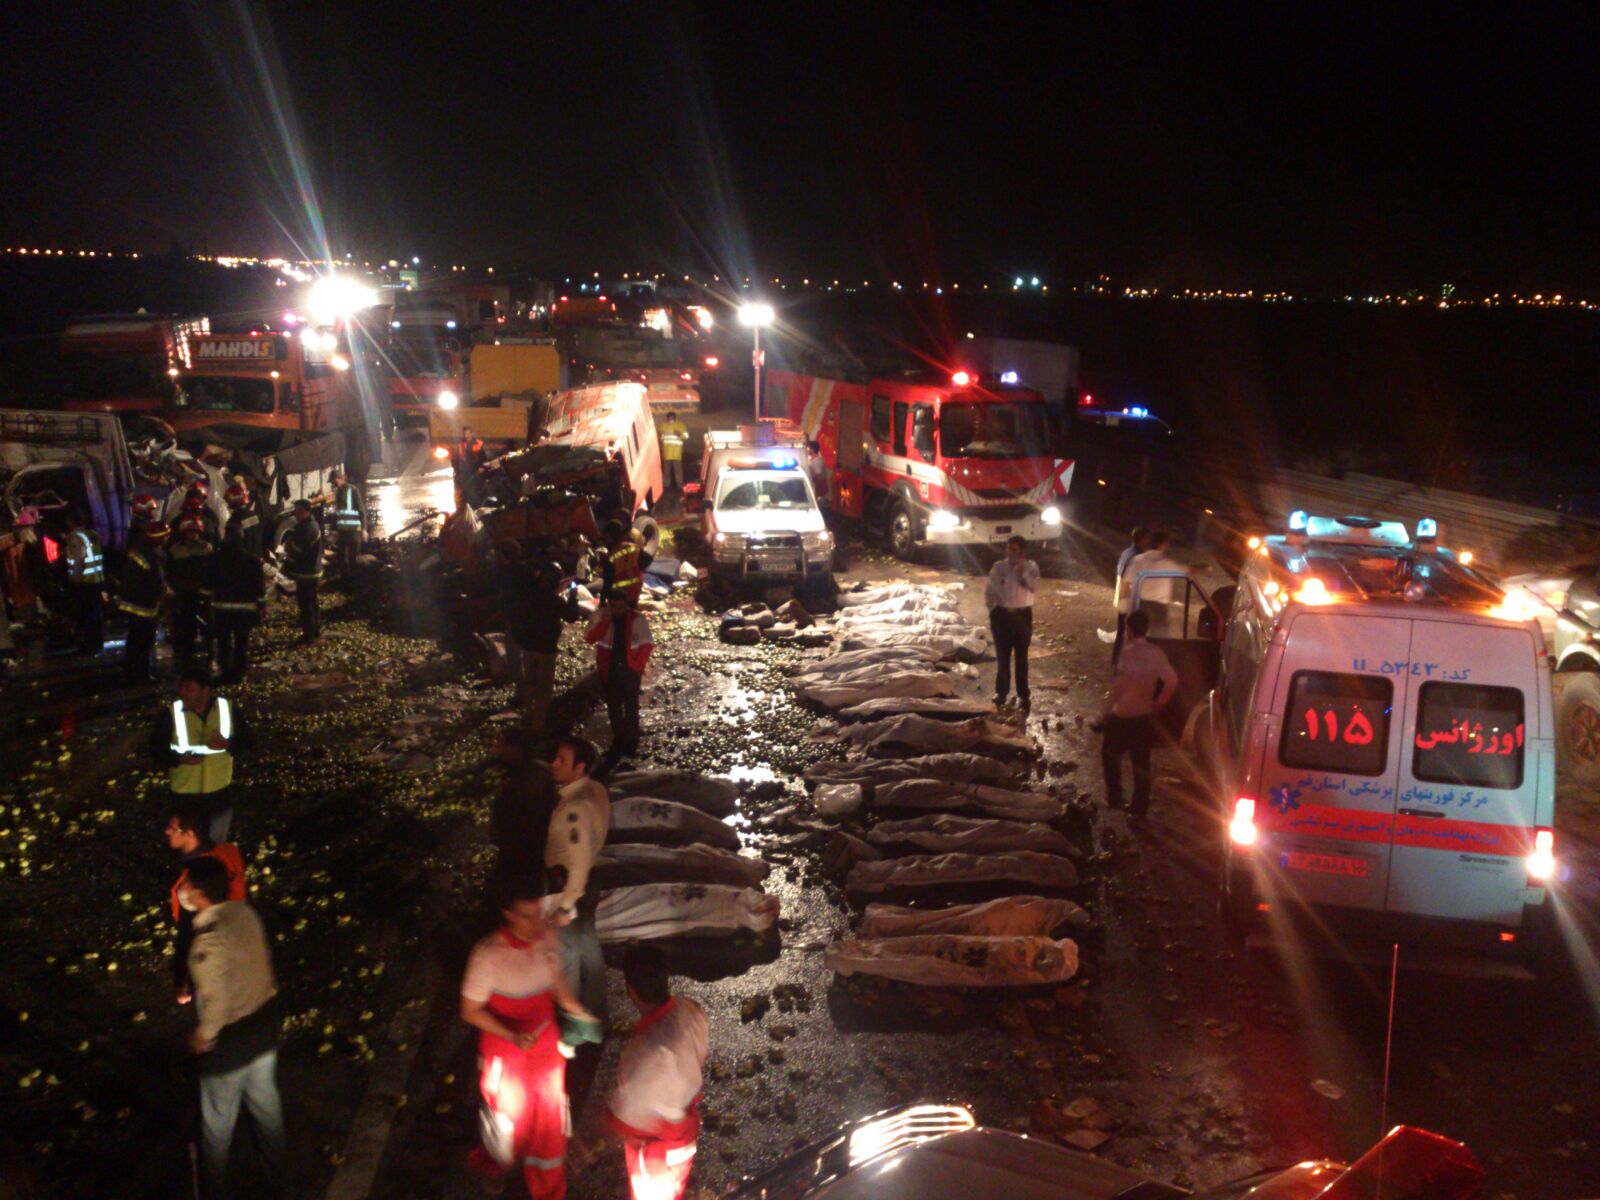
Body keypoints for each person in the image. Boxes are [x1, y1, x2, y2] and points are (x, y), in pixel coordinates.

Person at [460, 877, 601, 1200]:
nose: (536, 923)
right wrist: (511, 1033)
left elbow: (559, 987)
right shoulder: (486, 955)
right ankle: (495, 1168)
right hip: (506, 1055)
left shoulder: (546, 936)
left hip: (546, 1051)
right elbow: (470, 1011)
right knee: (509, 1125)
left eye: (539, 913)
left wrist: (579, 1013)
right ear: (507, 914)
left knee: (550, 1126)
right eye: (526, 916)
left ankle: (549, 1191)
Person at [179, 856, 286, 1200]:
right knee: (267, 1112)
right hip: (264, 1030)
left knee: (216, 1131)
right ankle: (276, 1184)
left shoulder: (206, 943)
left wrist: (201, 1039)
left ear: (197, 894)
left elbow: (217, 1005)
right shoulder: (245, 913)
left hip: (230, 1048)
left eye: (187, 885)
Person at [605, 946, 709, 1200]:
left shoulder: (643, 1054)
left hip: (657, 1153)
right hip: (685, 1132)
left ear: (630, 989)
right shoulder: (691, 1010)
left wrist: (601, 1128)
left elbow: (627, 1119)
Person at [149, 664, 254, 843]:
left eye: (189, 689)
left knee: (215, 843)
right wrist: (179, 759)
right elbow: (155, 749)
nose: (182, 693)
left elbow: (248, 740)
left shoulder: (227, 708)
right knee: (189, 845)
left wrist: (228, 743)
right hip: (184, 794)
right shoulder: (171, 714)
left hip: (218, 792)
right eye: (181, 687)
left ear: (206, 691)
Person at [547, 736, 611, 1020]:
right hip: (591, 878)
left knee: (567, 952)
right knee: (587, 941)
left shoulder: (574, 809)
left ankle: (573, 1016)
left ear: (579, 767)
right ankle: (597, 1006)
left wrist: (564, 905)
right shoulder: (596, 789)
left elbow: (579, 861)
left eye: (562, 760)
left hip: (571, 886)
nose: (554, 764)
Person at [1098, 608, 1178, 820]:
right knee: (1141, 764)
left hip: (1123, 715)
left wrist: (1105, 713)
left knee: (1109, 754)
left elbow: (1119, 688)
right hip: (1144, 715)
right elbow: (1172, 680)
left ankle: (1115, 797)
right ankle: (1139, 808)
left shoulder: (1127, 653)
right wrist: (1160, 702)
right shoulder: (1157, 653)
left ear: (1129, 630)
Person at [165, 799, 247, 1005]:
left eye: (173, 829)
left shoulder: (193, 884)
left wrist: (183, 984)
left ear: (190, 834)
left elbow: (191, 936)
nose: (167, 831)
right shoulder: (228, 851)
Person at [498, 546, 580, 734]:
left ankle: (528, 715)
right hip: (546, 650)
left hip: (529, 647)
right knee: (543, 689)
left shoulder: (529, 598)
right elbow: (572, 616)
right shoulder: (555, 602)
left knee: (529, 682)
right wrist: (573, 598)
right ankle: (537, 725)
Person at [585, 591, 652, 765]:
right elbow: (590, 638)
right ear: (609, 604)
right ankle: (619, 740)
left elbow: (646, 644)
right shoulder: (601, 617)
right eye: (615, 607)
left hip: (630, 670)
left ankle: (631, 743)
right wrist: (606, 621)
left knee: (631, 707)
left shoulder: (638, 619)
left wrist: (638, 666)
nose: (618, 610)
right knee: (614, 707)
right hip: (610, 669)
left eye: (622, 606)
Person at [985, 534, 1040, 713]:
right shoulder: (998, 567)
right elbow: (989, 591)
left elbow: (1033, 587)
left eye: (1014, 549)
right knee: (1003, 657)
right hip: (1002, 616)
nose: (1010, 552)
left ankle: (1024, 694)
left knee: (1022, 658)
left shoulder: (1031, 567)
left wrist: (1021, 572)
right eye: (1008, 548)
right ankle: (1001, 693)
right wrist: (992, 611)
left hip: (1022, 616)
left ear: (1022, 552)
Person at [211, 526, 266, 686]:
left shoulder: (216, 558)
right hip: (245, 610)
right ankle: (239, 674)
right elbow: (259, 588)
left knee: (223, 642)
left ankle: (225, 673)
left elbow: (208, 583)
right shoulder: (252, 560)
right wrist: (262, 606)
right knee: (241, 643)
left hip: (222, 610)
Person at [1116, 529, 1185, 654]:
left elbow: (1125, 584)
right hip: (1158, 609)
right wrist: (1203, 568)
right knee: (1159, 643)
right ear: (1163, 544)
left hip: (1140, 606)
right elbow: (1186, 571)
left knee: (1136, 642)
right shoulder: (1166, 563)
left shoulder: (1137, 560)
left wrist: (1123, 609)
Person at [118, 515, 169, 683]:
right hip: (145, 607)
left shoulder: (138, 550)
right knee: (144, 642)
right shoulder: (153, 557)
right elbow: (157, 583)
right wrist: (168, 595)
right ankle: (142, 674)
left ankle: (130, 671)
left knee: (133, 640)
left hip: (131, 603)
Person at [167, 513, 217, 667]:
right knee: (185, 626)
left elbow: (211, 571)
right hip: (183, 594)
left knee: (209, 627)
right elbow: (170, 572)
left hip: (202, 594)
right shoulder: (175, 550)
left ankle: (211, 657)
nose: (193, 535)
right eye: (190, 532)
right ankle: (185, 658)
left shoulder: (206, 548)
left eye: (195, 532)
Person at [61, 512, 106, 655]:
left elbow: (78, 561)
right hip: (97, 579)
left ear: (71, 522)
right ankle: (98, 643)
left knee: (88, 616)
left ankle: (90, 646)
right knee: (97, 614)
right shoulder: (92, 534)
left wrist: (75, 580)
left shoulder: (76, 537)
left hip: (85, 582)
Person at [281, 500, 323, 642]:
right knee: (313, 602)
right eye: (295, 511)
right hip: (313, 571)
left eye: (299, 511)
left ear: (307, 511)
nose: (296, 514)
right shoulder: (313, 525)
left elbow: (298, 550)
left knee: (306, 605)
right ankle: (316, 631)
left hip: (306, 573)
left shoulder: (306, 528)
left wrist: (288, 546)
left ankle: (309, 636)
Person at [1111, 525, 1150, 662]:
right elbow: (1130, 581)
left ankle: (1115, 660)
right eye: (1147, 539)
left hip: (1121, 598)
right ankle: (1124, 663)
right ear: (1143, 539)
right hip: (1129, 600)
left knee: (1122, 631)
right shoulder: (1136, 556)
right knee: (1131, 634)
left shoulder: (1126, 553)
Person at [329, 469, 366, 574]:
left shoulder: (353, 490)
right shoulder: (338, 492)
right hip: (342, 531)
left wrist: (363, 530)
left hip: (354, 532)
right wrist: (334, 529)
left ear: (343, 478)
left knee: (353, 559)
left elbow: (361, 510)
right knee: (341, 558)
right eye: (332, 483)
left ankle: (354, 582)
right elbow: (338, 512)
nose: (334, 484)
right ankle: (346, 580)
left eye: (335, 482)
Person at [222, 481, 264, 560]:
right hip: (256, 559)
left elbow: (229, 546)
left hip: (242, 562)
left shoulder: (234, 521)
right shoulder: (254, 515)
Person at [658, 413, 689, 491]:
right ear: (667, 418)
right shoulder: (663, 426)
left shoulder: (680, 425)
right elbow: (660, 437)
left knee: (678, 470)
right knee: (666, 470)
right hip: (667, 452)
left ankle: (679, 484)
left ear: (675, 418)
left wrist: (679, 435)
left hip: (676, 453)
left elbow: (686, 436)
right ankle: (666, 484)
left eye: (672, 418)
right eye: (669, 418)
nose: (670, 419)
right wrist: (660, 436)